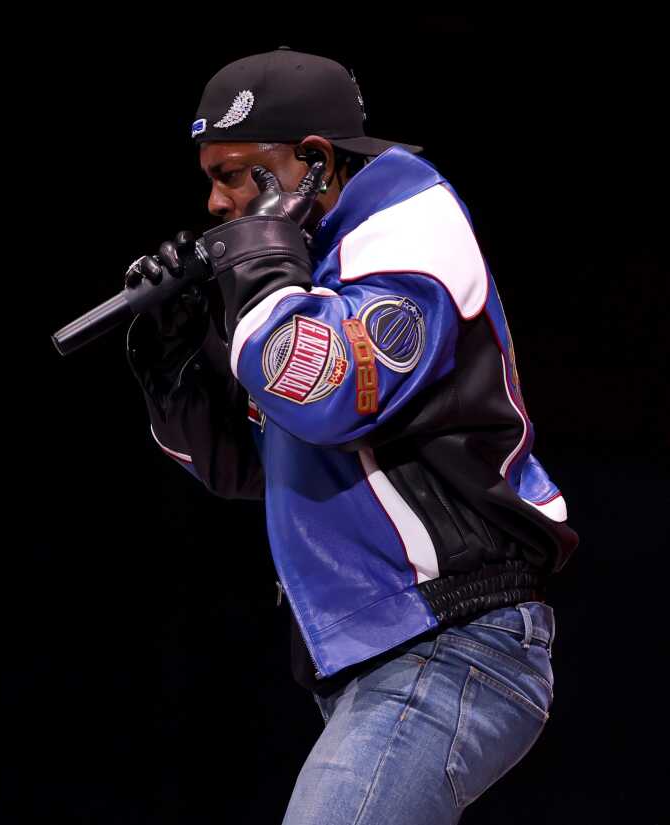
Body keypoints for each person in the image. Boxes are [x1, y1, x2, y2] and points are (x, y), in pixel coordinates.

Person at [122, 48, 579, 824]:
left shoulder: (407, 219)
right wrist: (173, 361)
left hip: (452, 635)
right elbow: (243, 464)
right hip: (373, 660)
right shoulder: (311, 267)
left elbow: (328, 390)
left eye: (235, 173)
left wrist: (263, 279)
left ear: (314, 160)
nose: (214, 201)